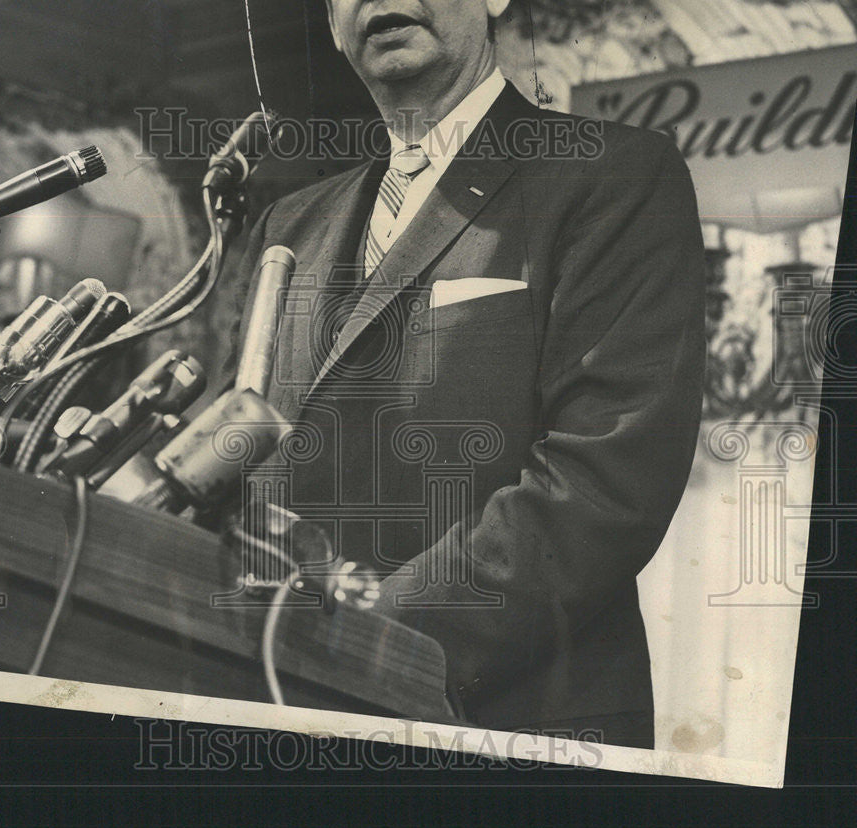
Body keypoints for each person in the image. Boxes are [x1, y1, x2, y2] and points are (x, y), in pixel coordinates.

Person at [224, 0, 706, 749]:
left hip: (512, 720)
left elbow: (605, 483)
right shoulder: (288, 223)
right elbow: (237, 460)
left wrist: (359, 644)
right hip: (282, 705)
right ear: (327, 20)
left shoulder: (615, 174)